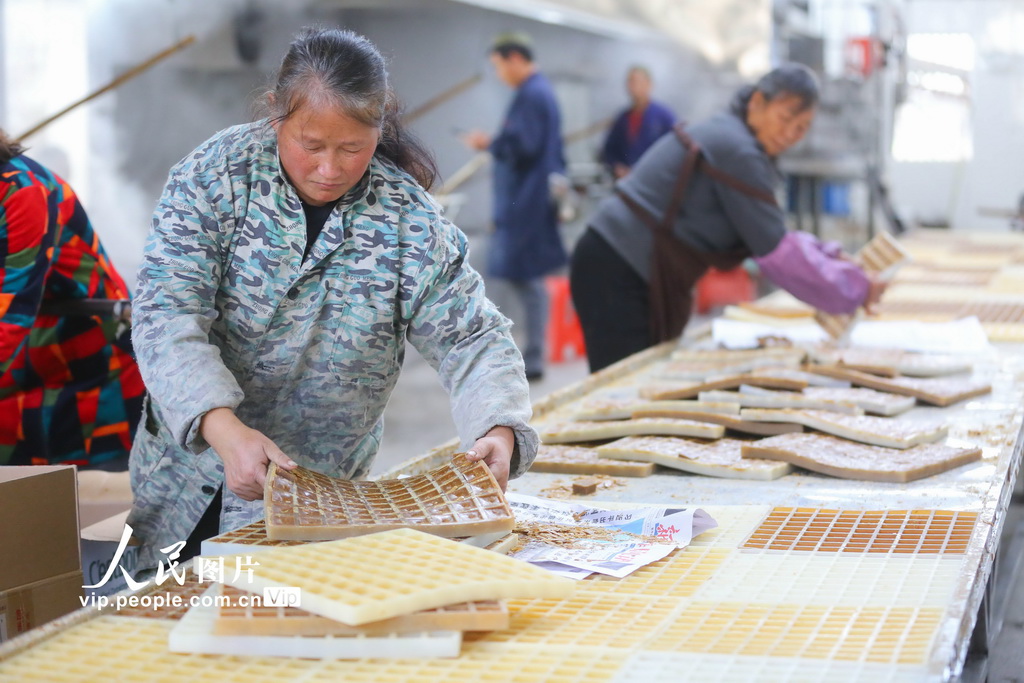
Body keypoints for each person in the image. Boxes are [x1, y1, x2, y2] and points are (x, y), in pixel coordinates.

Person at [127, 27, 539, 569]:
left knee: (281, 607)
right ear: (276, 114)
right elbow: (166, 313)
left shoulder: (406, 219)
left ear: (379, 128)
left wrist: (498, 428)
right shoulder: (215, 178)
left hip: (319, 495)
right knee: (162, 606)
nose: (329, 169)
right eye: (312, 145)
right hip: (183, 476)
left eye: (351, 149)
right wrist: (224, 430)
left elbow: (471, 337)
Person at [571, 63, 886, 373]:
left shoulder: (734, 137)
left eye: (802, 127)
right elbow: (778, 253)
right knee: (625, 386)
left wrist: (829, 257)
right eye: (785, 118)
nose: (790, 133)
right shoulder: (737, 150)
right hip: (618, 268)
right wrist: (855, 289)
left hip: (623, 266)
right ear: (757, 102)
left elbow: (772, 231)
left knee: (641, 381)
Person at [0, 128, 143, 469]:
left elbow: (9, 318)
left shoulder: (23, 190)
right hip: (19, 380)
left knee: (85, 497)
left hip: (86, 372)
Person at [463, 32, 565, 381]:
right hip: (525, 200)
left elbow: (523, 146)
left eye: (499, 66)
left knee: (527, 278)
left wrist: (491, 143)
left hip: (527, 202)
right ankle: (522, 353)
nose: (499, 74)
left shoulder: (533, 94)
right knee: (520, 276)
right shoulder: (535, 93)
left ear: (516, 59)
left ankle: (532, 357)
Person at [600, 66, 676, 179]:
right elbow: (609, 150)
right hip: (627, 182)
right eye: (629, 82)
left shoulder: (663, 116)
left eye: (636, 81)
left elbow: (674, 150)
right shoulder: (623, 118)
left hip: (655, 180)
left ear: (649, 84)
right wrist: (617, 167)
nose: (632, 87)